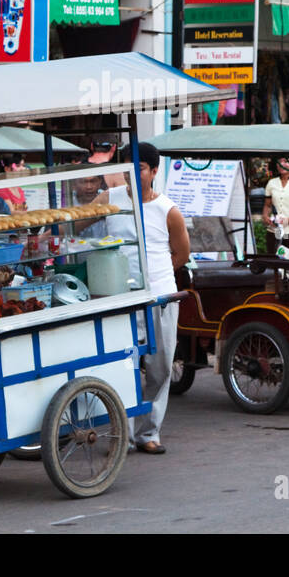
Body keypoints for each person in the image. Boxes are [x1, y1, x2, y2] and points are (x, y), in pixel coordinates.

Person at [97, 144, 189, 454]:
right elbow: (80, 223)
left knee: (160, 367)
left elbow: (182, 253)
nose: (130, 174)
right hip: (120, 298)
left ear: (153, 171)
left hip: (160, 297)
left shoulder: (168, 210)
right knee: (122, 365)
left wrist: (155, 277)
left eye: (138, 169)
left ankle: (149, 432)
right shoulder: (109, 200)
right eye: (126, 168)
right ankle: (120, 432)